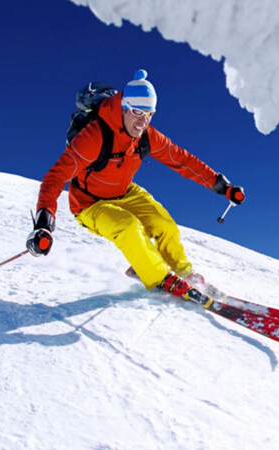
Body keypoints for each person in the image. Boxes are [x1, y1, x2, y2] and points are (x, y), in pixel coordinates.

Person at [26, 69, 244, 298]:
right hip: (90, 203)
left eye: (149, 114)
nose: (143, 122)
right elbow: (55, 177)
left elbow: (182, 160)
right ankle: (161, 278)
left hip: (124, 192)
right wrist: (43, 223)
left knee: (164, 224)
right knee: (128, 226)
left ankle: (185, 273)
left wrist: (222, 186)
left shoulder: (146, 136)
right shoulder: (94, 136)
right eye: (138, 112)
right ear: (122, 107)